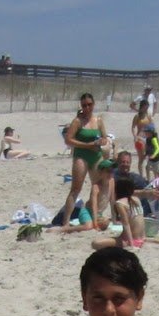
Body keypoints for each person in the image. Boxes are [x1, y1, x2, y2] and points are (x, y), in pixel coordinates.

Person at [57, 93, 110, 228]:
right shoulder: (77, 121)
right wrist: (87, 145)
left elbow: (105, 137)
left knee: (100, 185)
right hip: (82, 156)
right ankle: (66, 221)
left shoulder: (98, 120)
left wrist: (102, 141)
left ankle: (94, 213)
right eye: (84, 105)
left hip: (96, 155)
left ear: (93, 104)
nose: (87, 107)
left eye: (89, 104)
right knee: (76, 189)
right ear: (81, 106)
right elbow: (68, 139)